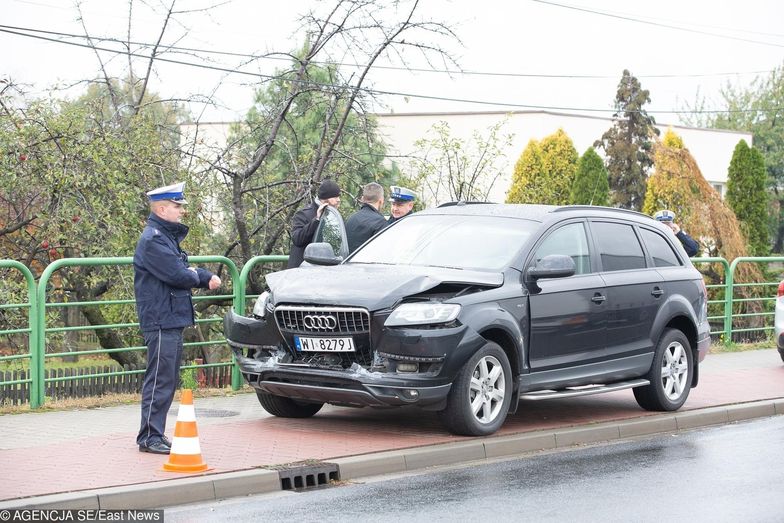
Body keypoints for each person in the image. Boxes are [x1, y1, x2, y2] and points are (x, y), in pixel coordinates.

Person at [133, 182, 221, 454]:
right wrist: (201, 277)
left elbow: (183, 268)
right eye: (177, 206)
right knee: (160, 378)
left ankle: (154, 434)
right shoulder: (154, 239)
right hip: (161, 318)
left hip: (169, 317)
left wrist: (200, 274)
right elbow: (178, 274)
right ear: (161, 209)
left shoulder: (164, 237)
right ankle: (149, 437)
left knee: (166, 378)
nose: (182, 211)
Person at [287, 179, 342, 268]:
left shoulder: (334, 216)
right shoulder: (303, 214)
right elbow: (297, 239)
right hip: (302, 271)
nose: (339, 200)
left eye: (339, 197)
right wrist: (316, 219)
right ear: (325, 199)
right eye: (335, 197)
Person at [345, 182, 387, 253]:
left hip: (345, 263)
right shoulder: (380, 223)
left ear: (362, 199)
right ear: (381, 200)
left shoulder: (351, 219)